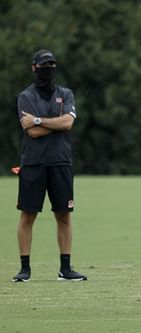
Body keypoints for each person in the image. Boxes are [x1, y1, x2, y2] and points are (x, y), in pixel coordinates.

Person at [13, 49, 87, 282]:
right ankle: (25, 269)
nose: (49, 68)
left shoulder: (65, 94)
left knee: (64, 215)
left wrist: (38, 119)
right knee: (28, 215)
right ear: (34, 68)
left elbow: (67, 123)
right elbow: (32, 133)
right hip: (33, 163)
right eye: (44, 65)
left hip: (61, 161)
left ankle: (65, 268)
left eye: (52, 64)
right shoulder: (25, 96)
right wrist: (52, 124)